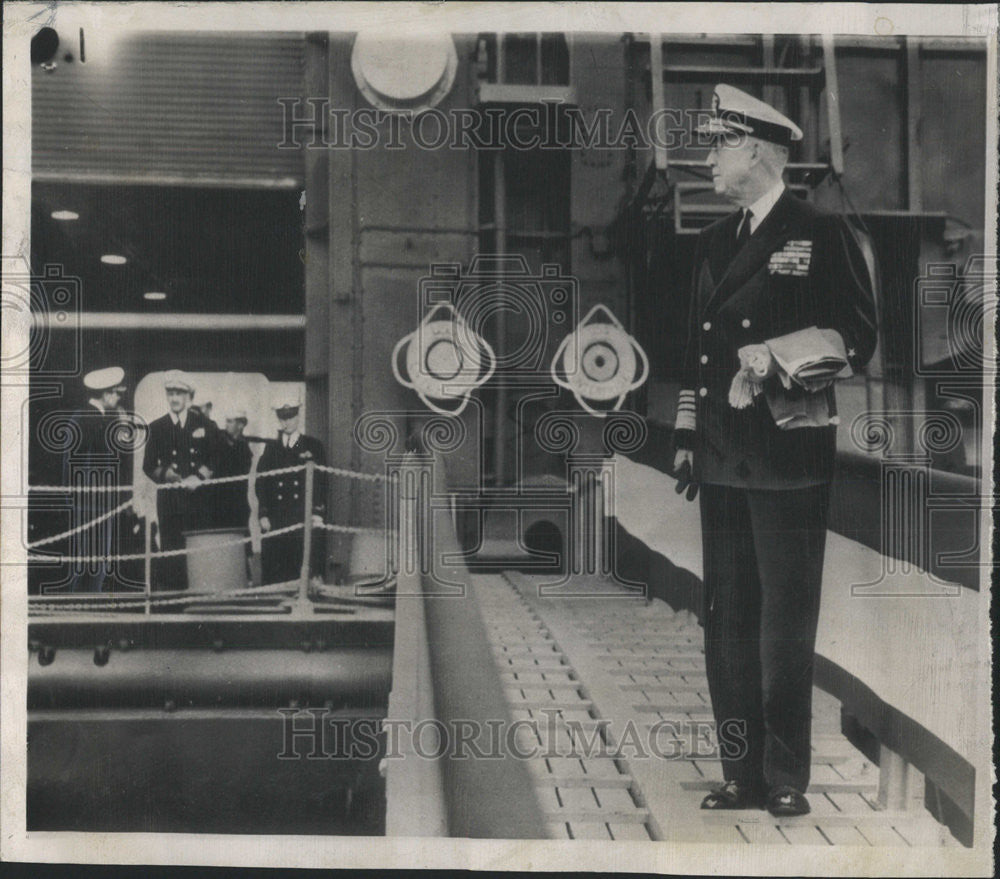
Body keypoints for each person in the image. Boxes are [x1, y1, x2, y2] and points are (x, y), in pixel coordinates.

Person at [672, 85, 878, 817]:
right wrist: (688, 438)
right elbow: (696, 350)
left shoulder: (818, 232)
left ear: (756, 150)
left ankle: (786, 776)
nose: (709, 158)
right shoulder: (712, 242)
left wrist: (775, 356)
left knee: (784, 623)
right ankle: (741, 773)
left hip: (788, 461)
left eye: (719, 144)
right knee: (726, 618)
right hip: (724, 457)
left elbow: (858, 337)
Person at [142, 370, 219, 591]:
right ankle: (172, 605)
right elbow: (148, 465)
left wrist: (200, 476)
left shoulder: (204, 424)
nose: (174, 398)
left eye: (179, 393)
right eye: (171, 393)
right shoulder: (157, 427)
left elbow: (217, 457)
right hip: (170, 502)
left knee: (198, 554)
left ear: (189, 397)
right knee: (172, 554)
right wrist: (166, 475)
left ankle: (197, 605)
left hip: (198, 501)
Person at [62, 366, 129, 592]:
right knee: (88, 562)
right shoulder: (87, 420)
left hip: (94, 503)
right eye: (117, 393)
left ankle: (88, 606)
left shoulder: (95, 419)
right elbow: (80, 466)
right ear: (106, 393)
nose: (119, 398)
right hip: (90, 504)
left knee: (94, 561)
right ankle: (81, 611)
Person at [255, 391, 326, 585]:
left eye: (290, 416)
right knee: (276, 570)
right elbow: (262, 483)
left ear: (298, 415)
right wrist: (263, 514)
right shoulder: (271, 449)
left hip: (301, 516)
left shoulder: (313, 446)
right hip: (277, 518)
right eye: (282, 417)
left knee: (301, 566)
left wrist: (317, 512)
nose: (286, 422)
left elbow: (320, 481)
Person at [211, 408, 253, 530]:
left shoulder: (243, 449)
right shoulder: (220, 442)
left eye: (230, 422)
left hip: (235, 504)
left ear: (240, 425)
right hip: (218, 503)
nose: (226, 425)